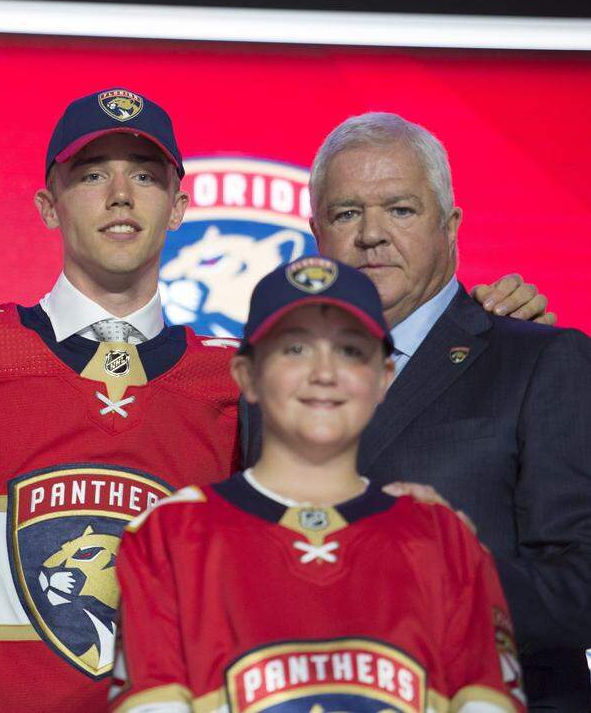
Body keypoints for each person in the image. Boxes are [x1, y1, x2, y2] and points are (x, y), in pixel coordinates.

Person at [0, 90, 555, 712]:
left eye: (145, 173)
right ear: (48, 205)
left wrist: (484, 313)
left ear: (181, 203)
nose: (121, 194)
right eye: (93, 174)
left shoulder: (243, 378)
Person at [112, 256, 526, 713]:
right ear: (245, 375)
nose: (324, 373)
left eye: (350, 349)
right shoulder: (171, 536)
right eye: (295, 348)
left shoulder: (443, 541)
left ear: (383, 378)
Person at [289, 112, 590, 708]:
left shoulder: (539, 359)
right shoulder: (276, 387)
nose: (372, 234)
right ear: (316, 234)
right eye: (347, 213)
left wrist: (458, 580)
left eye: (400, 209)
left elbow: (582, 583)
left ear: (450, 226)